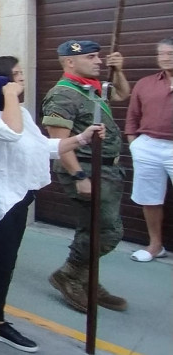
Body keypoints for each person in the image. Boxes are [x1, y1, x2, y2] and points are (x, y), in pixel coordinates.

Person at [0, 56, 105, 352]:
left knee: (3, 266)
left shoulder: (18, 111)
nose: (22, 79)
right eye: (15, 75)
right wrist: (9, 95)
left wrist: (82, 139)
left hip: (18, 196)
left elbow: (41, 146)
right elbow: (11, 133)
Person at [42, 39, 130, 313]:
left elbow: (122, 95)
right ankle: (70, 273)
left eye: (98, 57)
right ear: (70, 62)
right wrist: (79, 175)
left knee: (90, 228)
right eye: (91, 57)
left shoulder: (90, 88)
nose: (98, 61)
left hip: (105, 169)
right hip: (86, 168)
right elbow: (58, 142)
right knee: (108, 231)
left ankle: (85, 279)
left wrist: (119, 70)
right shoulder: (63, 94)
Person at [125, 38, 173, 262]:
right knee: (150, 198)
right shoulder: (145, 83)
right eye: (161, 54)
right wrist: (134, 143)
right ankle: (155, 245)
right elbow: (132, 116)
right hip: (148, 147)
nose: (165, 58)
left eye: (170, 53)